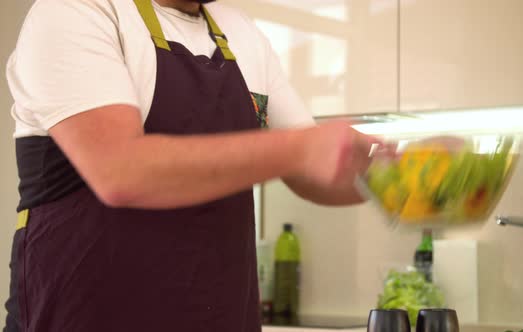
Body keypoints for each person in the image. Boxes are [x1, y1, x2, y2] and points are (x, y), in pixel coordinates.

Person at [4, 0, 377, 331]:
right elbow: (120, 171)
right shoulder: (76, 12)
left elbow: (313, 171)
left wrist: (397, 179)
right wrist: (301, 148)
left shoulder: (240, 31)